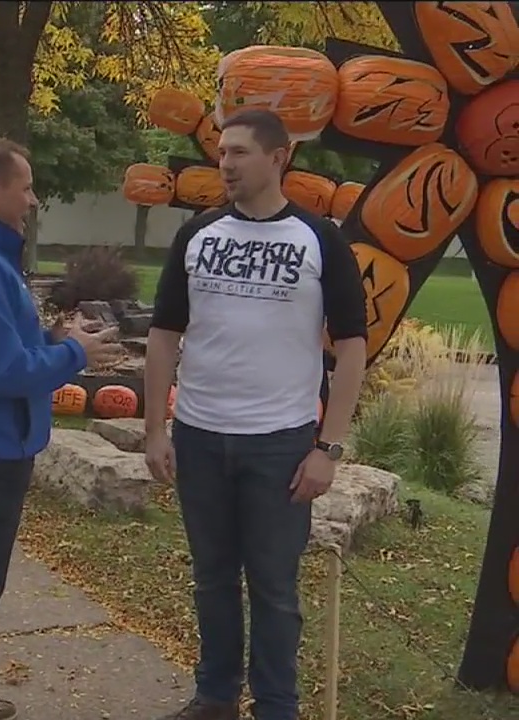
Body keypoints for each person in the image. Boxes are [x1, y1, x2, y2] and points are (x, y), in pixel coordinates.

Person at [142, 109, 368, 720]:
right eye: (222, 152)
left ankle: (276, 705)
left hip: (281, 445)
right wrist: (156, 429)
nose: (226, 163)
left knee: (273, 588)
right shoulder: (199, 235)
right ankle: (216, 696)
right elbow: (164, 334)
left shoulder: (320, 240)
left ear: (278, 158)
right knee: (212, 579)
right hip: (199, 436)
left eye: (240, 152)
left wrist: (330, 447)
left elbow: (351, 350)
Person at [0, 136, 124, 720]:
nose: (33, 199)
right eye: (26, 186)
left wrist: (56, 341)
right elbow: (0, 372)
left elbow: (4, 349)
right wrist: (73, 357)